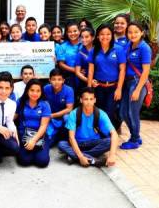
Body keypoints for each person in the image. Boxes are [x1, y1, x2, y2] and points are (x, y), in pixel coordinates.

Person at [58, 87, 118, 167]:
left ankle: (74, 157)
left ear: (95, 100)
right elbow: (71, 137)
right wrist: (80, 156)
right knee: (61, 144)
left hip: (94, 143)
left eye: (91, 99)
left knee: (109, 141)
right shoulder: (74, 114)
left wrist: (112, 155)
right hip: (78, 143)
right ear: (81, 100)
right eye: (86, 99)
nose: (89, 102)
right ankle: (94, 161)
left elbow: (114, 134)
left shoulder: (101, 114)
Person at [87, 23, 126, 131]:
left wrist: (119, 89)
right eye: (102, 34)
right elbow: (91, 70)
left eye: (108, 34)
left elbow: (122, 70)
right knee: (99, 111)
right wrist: (89, 88)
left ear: (112, 35)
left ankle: (109, 134)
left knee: (110, 111)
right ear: (98, 36)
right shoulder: (93, 50)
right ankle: (100, 133)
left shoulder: (118, 49)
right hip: (98, 87)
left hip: (113, 87)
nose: (105, 36)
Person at [120, 22, 151, 150]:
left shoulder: (144, 48)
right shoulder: (129, 45)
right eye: (130, 32)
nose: (133, 35)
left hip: (137, 82)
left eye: (136, 32)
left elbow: (146, 72)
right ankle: (136, 136)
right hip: (127, 83)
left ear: (142, 33)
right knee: (123, 112)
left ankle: (134, 139)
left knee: (133, 113)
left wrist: (138, 90)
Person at [15, 79, 51, 167]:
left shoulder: (45, 105)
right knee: (24, 161)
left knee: (42, 162)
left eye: (38, 91)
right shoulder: (21, 102)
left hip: (39, 134)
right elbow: (13, 117)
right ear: (27, 90)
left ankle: (39, 151)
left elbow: (43, 125)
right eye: (32, 90)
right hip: (24, 134)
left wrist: (34, 140)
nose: (35, 93)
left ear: (41, 92)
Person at [43, 68, 74, 146]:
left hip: (61, 117)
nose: (56, 82)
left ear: (63, 80)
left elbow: (69, 109)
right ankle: (56, 137)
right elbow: (42, 104)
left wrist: (52, 115)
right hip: (50, 118)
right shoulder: (46, 88)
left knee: (68, 117)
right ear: (49, 80)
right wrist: (48, 116)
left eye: (59, 79)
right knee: (48, 142)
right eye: (53, 79)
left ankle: (68, 139)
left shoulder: (69, 90)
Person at [55, 22, 81, 91]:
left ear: (79, 31)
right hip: (69, 77)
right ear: (66, 33)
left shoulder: (84, 44)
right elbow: (61, 64)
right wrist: (76, 70)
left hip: (84, 76)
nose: (72, 33)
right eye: (70, 32)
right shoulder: (63, 46)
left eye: (75, 31)